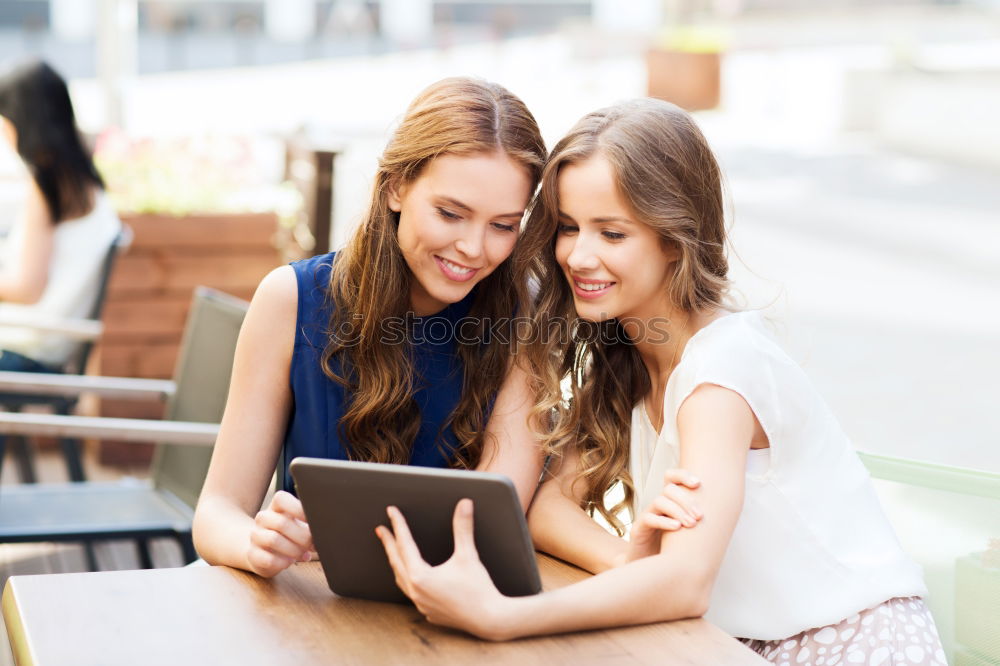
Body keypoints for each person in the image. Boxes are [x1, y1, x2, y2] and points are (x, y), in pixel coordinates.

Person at [377, 98, 947, 665]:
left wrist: (500, 617)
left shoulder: (721, 373)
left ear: (674, 238)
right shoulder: (628, 356)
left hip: (849, 644)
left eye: (613, 234)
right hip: (728, 644)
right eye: (569, 228)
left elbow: (684, 584)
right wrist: (634, 566)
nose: (579, 255)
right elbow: (548, 511)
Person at [193, 77, 548, 578]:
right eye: (450, 213)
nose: (474, 247)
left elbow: (491, 525)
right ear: (395, 187)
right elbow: (216, 513)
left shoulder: (523, 324)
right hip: (307, 611)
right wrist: (256, 543)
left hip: (448, 611)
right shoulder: (291, 300)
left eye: (503, 225)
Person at [0, 60, 120, 371]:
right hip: (48, 345)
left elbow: (27, 290)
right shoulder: (82, 181)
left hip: (28, 351)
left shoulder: (48, 185)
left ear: (19, 121)